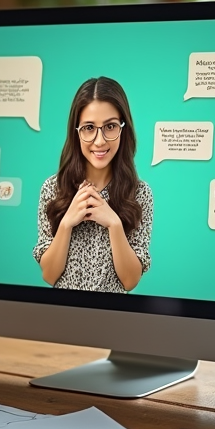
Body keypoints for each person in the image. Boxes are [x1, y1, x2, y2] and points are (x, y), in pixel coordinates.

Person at [33, 77, 153, 293]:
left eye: (110, 126)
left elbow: (130, 281)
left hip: (112, 319)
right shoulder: (53, 189)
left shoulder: (140, 194)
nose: (99, 140)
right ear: (76, 131)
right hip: (61, 317)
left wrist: (114, 224)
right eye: (89, 127)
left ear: (123, 129)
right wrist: (67, 223)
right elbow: (49, 276)